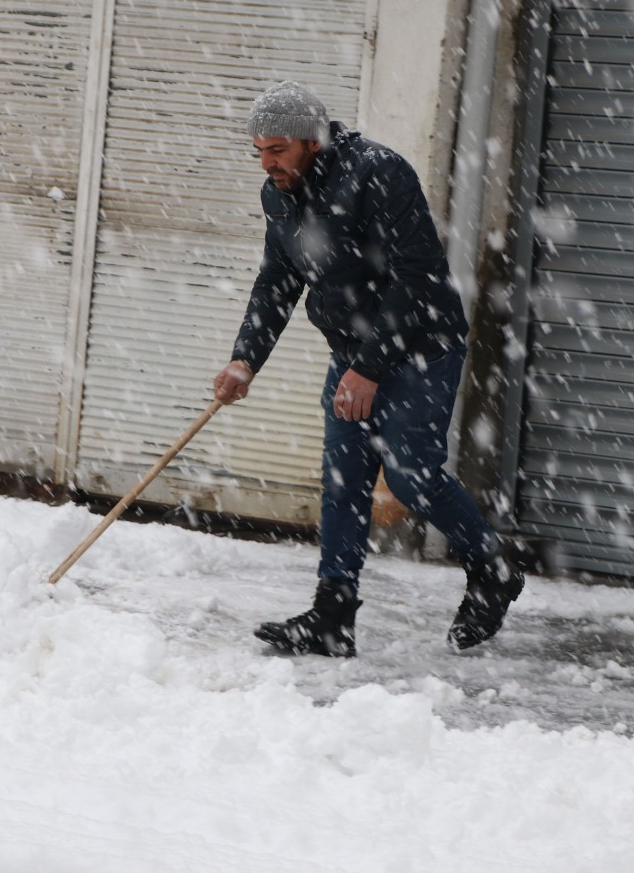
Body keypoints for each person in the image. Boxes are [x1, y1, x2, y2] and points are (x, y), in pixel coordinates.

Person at [213, 80, 527, 657]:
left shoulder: (379, 174)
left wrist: (371, 367)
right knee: (343, 481)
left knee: (410, 474)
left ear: (311, 140)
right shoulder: (279, 193)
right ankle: (332, 616)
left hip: (419, 344)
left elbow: (416, 278)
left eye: (277, 149)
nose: (267, 162)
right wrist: (245, 358)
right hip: (353, 354)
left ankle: (494, 567)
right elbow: (277, 280)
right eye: (258, 150)